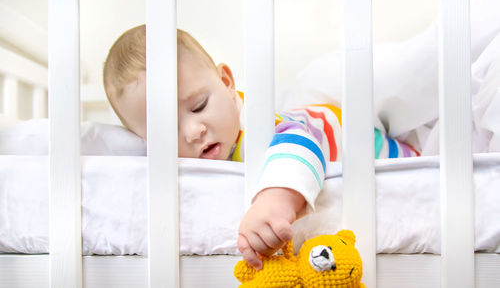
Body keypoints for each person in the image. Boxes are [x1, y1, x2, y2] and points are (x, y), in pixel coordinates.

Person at [103, 24, 419, 270]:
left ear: (226, 84)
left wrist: (277, 199)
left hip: (355, 135)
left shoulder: (255, 124)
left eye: (199, 106)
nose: (193, 131)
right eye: (165, 131)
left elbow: (300, 140)